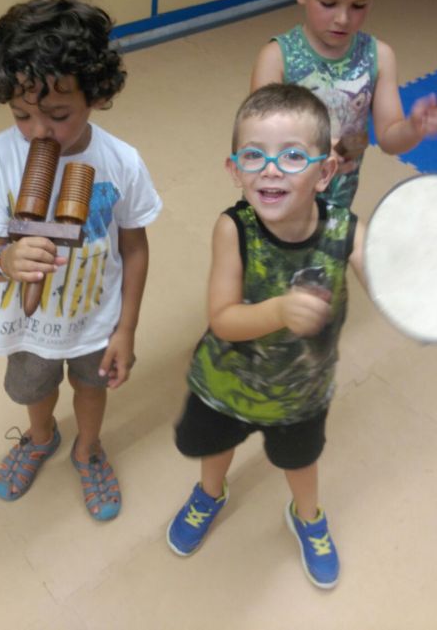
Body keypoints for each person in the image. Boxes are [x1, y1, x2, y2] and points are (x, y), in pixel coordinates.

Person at [0, 0, 162, 520]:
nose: (38, 132)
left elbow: (135, 247)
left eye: (57, 114)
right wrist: (6, 262)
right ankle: (41, 435)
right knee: (36, 388)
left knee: (92, 388)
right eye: (22, 115)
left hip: (97, 319)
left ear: (96, 95)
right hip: (29, 324)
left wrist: (127, 328)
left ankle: (88, 448)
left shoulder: (121, 162)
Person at [167, 82, 367, 589]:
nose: (271, 169)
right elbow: (223, 319)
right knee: (216, 447)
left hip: (301, 393)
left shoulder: (347, 230)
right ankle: (210, 494)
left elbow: (392, 284)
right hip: (227, 382)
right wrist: (279, 310)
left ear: (325, 173)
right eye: (254, 155)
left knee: (301, 461)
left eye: (293, 156)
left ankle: (307, 516)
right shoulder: (233, 229)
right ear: (235, 170)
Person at [250, 0, 437, 208]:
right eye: (328, 3)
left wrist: (415, 126)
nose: (343, 19)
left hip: (336, 203)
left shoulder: (379, 57)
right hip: (277, 201)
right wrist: (314, 151)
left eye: (358, 6)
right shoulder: (276, 58)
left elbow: (389, 138)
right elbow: (258, 137)